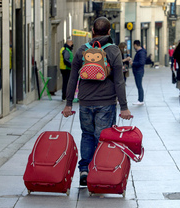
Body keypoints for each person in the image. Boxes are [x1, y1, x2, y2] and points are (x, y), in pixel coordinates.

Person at [62, 17, 131, 186]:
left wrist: (68, 103)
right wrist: (124, 107)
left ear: (92, 31)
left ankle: (84, 170)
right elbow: (119, 81)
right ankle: (99, 170)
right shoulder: (114, 51)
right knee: (103, 138)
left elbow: (72, 79)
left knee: (87, 135)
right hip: (106, 102)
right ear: (109, 32)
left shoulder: (82, 50)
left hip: (85, 102)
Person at [130, 40, 147, 105]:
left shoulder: (141, 52)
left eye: (134, 45)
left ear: (135, 45)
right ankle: (140, 99)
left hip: (138, 71)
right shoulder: (140, 52)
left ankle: (140, 100)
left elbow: (141, 62)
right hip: (138, 71)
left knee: (139, 85)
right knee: (139, 85)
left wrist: (133, 63)